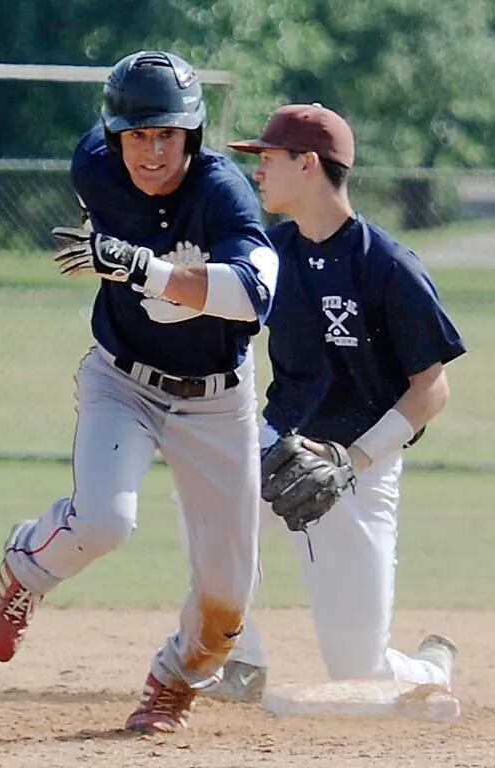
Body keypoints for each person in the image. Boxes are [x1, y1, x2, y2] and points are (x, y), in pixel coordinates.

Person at [0, 50, 279, 734]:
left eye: (165, 134)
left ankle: (175, 678)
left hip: (217, 398)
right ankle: (24, 567)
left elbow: (256, 294)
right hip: (122, 380)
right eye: (136, 135)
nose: (149, 151)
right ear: (114, 136)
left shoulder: (222, 191)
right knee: (104, 521)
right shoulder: (94, 166)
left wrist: (144, 267)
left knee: (228, 598)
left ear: (192, 135)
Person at [202, 103, 466, 701]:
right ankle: (239, 658)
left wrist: (354, 460)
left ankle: (430, 668)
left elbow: (432, 388)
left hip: (359, 469)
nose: (259, 172)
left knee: (358, 670)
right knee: (207, 496)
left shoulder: (388, 265)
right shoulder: (272, 256)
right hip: (278, 444)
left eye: (268, 159)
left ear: (309, 164)